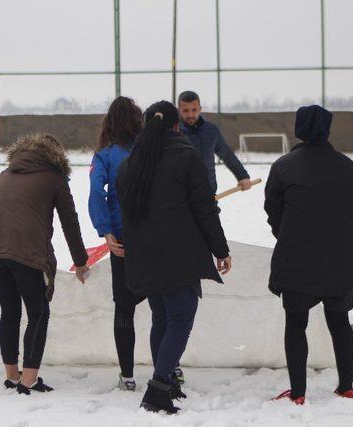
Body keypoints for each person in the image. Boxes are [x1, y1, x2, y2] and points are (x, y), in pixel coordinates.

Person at [117, 101, 232, 413]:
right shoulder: (185, 157)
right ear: (177, 126)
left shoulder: (129, 166)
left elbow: (127, 215)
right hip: (179, 255)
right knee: (181, 317)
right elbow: (204, 208)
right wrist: (220, 249)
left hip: (145, 257)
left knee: (162, 318)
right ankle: (157, 389)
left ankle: (166, 383)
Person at [0, 133, 90, 395]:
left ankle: (12, 375)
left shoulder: (7, 173)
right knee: (38, 313)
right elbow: (70, 222)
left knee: (9, 312)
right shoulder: (55, 177)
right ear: (57, 156)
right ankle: (29, 380)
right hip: (25, 250)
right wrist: (80, 261)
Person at [265, 105, 353, 405]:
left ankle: (298, 393)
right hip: (339, 258)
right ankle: (346, 386)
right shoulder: (347, 166)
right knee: (340, 322)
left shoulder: (283, 166)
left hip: (298, 260)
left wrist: (288, 234)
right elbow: (352, 208)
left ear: (299, 128)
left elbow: (273, 210)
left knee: (296, 323)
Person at [89, 96, 145, 391]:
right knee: (164, 307)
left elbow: (97, 191)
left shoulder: (105, 155)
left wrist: (105, 230)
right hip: (154, 235)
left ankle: (128, 375)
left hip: (122, 238)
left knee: (124, 307)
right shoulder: (152, 150)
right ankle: (170, 368)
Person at [177, 90, 253, 200]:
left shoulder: (211, 130)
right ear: (179, 110)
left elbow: (227, 154)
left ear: (200, 109)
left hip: (209, 194)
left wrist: (242, 176)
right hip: (181, 197)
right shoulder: (174, 132)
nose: (190, 114)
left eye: (194, 110)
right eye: (185, 110)